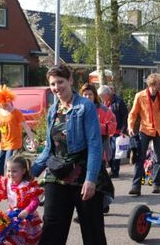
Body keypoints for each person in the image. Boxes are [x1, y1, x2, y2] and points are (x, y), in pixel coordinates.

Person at [31, 65, 111, 244]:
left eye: (60, 82)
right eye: (52, 84)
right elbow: (49, 148)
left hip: (83, 175)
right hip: (56, 173)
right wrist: (32, 173)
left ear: (70, 81)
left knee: (92, 230)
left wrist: (91, 179)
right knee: (51, 227)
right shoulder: (53, 110)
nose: (56, 87)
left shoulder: (85, 107)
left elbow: (94, 145)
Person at [0, 155, 43, 244]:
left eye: (14, 171)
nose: (10, 174)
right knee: (7, 238)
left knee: (26, 240)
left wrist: (26, 211)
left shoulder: (27, 185)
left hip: (26, 218)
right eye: (8, 171)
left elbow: (35, 201)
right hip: (12, 215)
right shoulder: (6, 182)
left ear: (23, 171)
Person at [0, 85, 38, 176]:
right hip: (3, 144)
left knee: (8, 165)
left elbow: (26, 127)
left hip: (14, 143)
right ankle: (0, 184)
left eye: (4, 103)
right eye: (0, 104)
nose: (2, 106)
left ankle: (10, 183)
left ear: (8, 100)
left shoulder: (16, 113)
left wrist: (32, 140)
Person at [127, 73, 160, 196]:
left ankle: (156, 184)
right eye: (159, 84)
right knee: (140, 157)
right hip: (145, 129)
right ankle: (136, 186)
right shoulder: (140, 96)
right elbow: (133, 113)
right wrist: (130, 126)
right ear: (152, 84)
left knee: (158, 158)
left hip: (159, 129)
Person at [79, 83, 116, 215]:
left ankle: (102, 203)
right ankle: (99, 204)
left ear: (95, 95)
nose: (87, 97)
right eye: (85, 94)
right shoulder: (78, 109)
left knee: (97, 179)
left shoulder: (104, 110)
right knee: (87, 180)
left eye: (90, 94)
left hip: (100, 151)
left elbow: (112, 127)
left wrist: (95, 127)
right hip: (82, 152)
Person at [98, 85, 128, 178]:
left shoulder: (119, 102)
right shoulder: (103, 102)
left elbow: (124, 116)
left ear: (108, 94)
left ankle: (115, 171)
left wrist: (123, 130)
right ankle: (111, 167)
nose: (101, 98)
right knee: (108, 153)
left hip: (117, 131)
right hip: (106, 131)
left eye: (102, 96)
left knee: (115, 152)